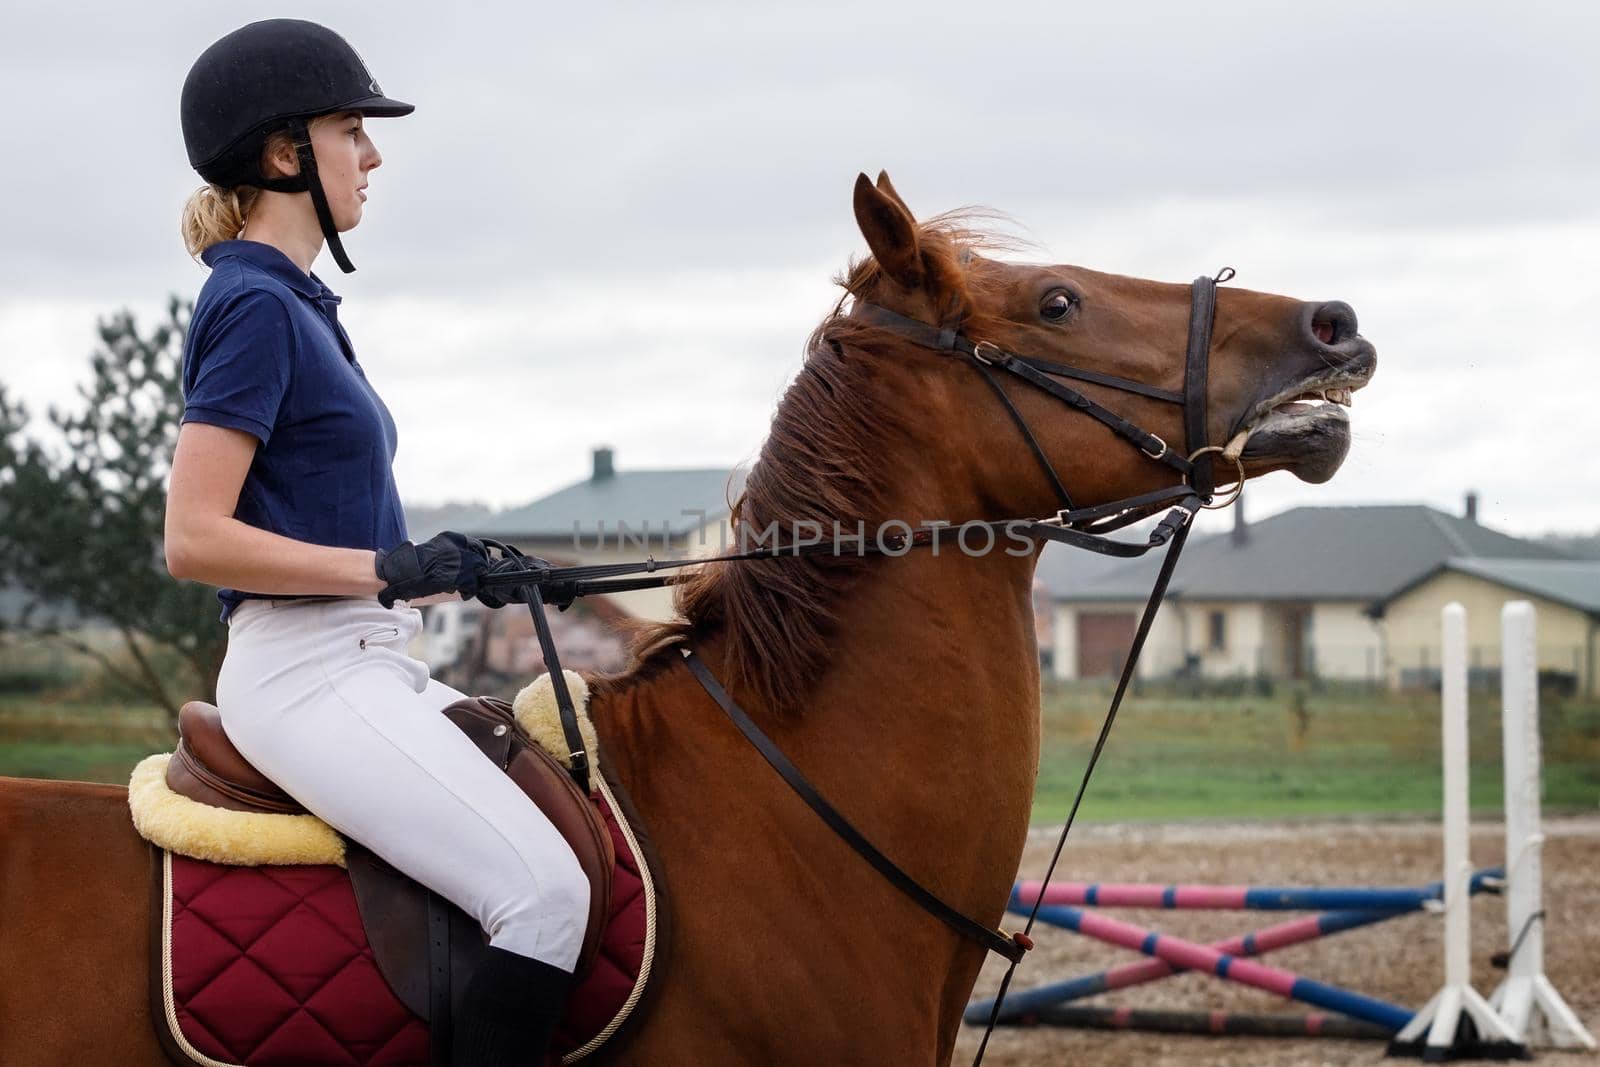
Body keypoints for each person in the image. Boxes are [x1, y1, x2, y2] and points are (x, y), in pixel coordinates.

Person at [167, 19, 588, 1064]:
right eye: (352, 129)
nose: (374, 153)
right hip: (304, 676)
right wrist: (385, 569)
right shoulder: (255, 305)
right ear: (283, 154)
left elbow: (337, 524)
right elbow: (193, 536)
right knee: (544, 895)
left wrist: (458, 572)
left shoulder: (305, 308)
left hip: (368, 660)